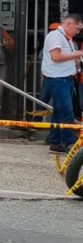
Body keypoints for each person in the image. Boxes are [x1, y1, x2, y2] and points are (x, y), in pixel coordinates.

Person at [41, 13, 83, 154]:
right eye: (77, 28)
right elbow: (56, 56)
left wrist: (76, 61)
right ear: (69, 24)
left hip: (66, 79)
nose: (78, 32)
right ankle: (68, 142)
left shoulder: (68, 39)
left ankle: (55, 142)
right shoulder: (56, 36)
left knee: (59, 112)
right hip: (57, 79)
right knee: (66, 111)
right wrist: (77, 54)